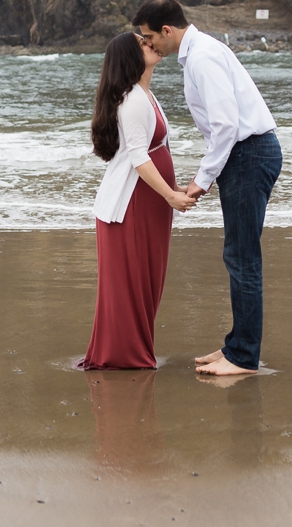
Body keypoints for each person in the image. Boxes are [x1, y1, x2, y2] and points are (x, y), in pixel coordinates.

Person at [132, 0, 282, 376]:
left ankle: (243, 357)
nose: (149, 46)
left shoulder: (201, 57)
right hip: (246, 154)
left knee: (241, 256)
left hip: (248, 153)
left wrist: (202, 179)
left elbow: (227, 126)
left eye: (150, 38)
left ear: (168, 30)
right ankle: (237, 345)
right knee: (238, 254)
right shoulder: (201, 52)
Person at [80, 32, 198, 370]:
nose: (151, 44)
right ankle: (125, 357)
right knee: (132, 283)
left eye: (149, 40)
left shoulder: (146, 95)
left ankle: (134, 351)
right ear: (131, 57)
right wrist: (171, 195)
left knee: (147, 281)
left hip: (148, 204)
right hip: (130, 205)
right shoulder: (132, 99)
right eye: (142, 44)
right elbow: (138, 158)